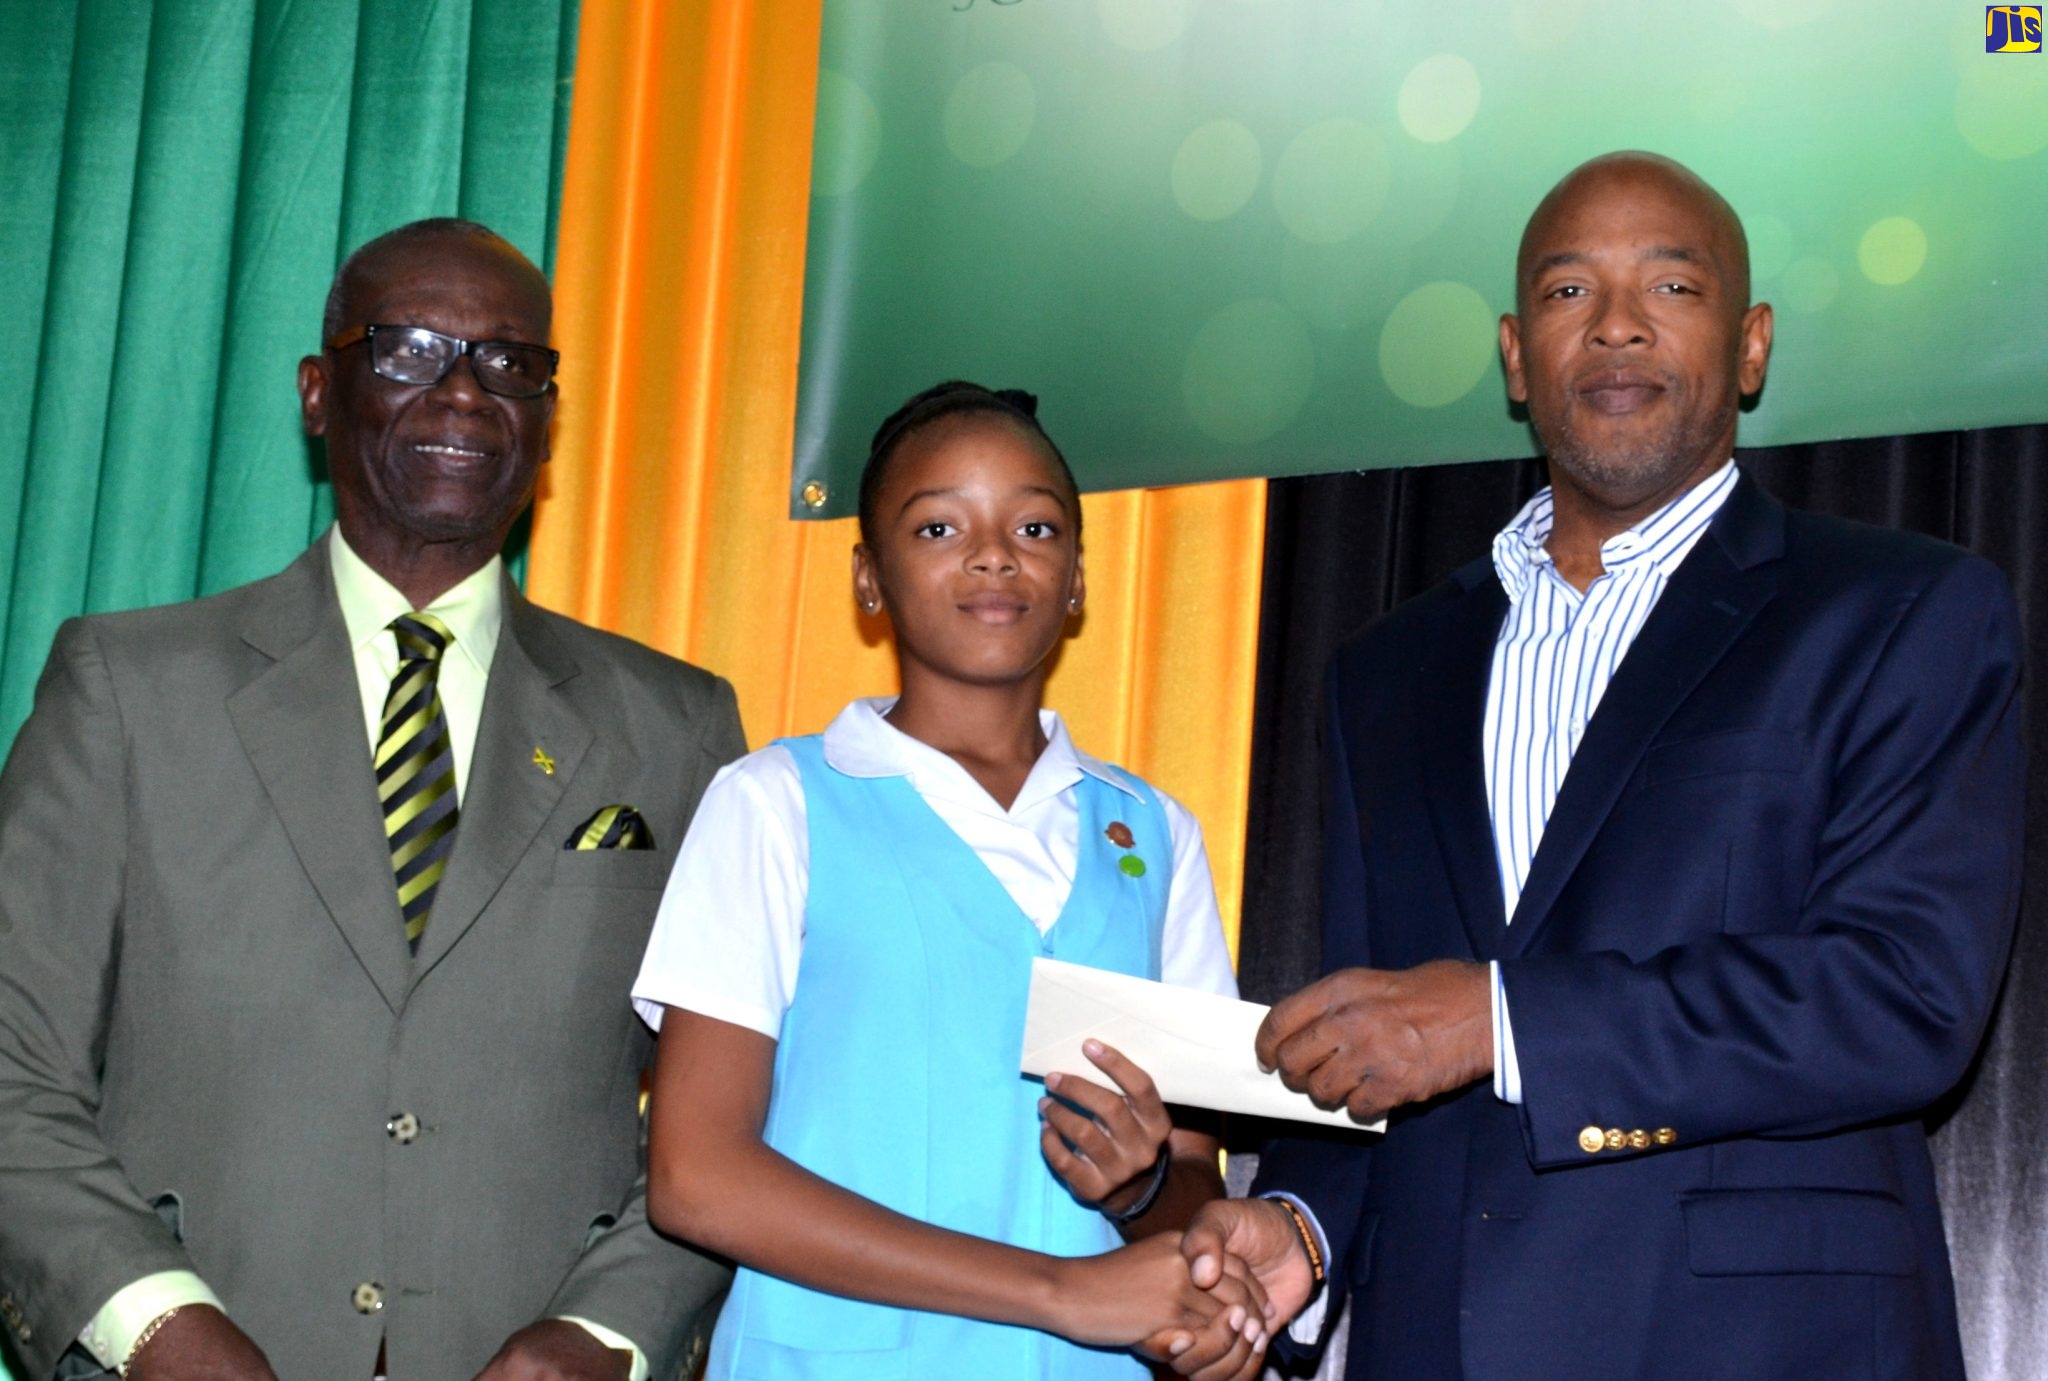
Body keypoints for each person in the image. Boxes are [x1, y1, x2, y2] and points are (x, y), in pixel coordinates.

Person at [1174, 152, 2025, 1378]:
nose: (1616, 323)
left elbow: (1902, 996)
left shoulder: (1902, 610)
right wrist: (1299, 1227)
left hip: (1759, 1346)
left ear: (1750, 344)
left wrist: (1501, 1020)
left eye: (1670, 287)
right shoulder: (1386, 670)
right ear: (1517, 356)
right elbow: (1379, 1034)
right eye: (1570, 292)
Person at [0, 219, 743, 1380]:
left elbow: (739, 1103)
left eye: (510, 364)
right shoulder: (127, 686)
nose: (463, 394)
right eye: (406, 351)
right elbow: (11, 1063)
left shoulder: (674, 724)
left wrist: (607, 1332)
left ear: (548, 418)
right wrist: (152, 1323)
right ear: (316, 390)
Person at [632, 382, 1271, 1381]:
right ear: (868, 578)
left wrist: (1155, 1217)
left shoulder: (1153, 833)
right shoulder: (774, 803)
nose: (992, 554)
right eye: (937, 524)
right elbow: (694, 1176)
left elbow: (1190, 1174)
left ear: (1076, 580)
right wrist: (1059, 1290)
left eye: (1033, 524)